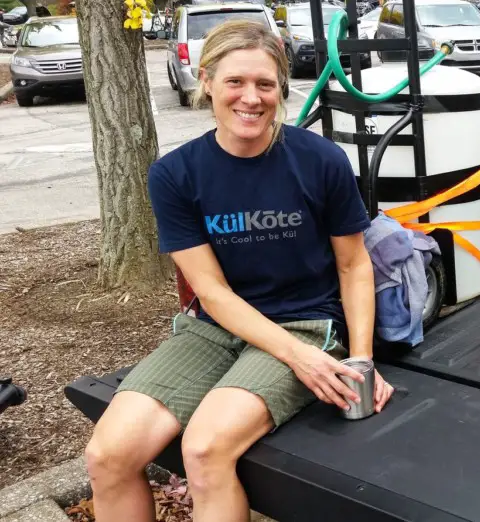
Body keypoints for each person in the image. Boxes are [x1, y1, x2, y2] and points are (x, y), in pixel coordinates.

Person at [83, 19, 395, 522]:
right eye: (235, 82)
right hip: (216, 327)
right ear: (205, 80)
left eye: (265, 84)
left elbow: (354, 263)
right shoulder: (175, 174)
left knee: (205, 450)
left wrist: (360, 358)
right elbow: (211, 291)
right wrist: (299, 360)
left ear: (280, 90)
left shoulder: (321, 160)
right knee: (107, 456)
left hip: (306, 323)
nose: (251, 98)